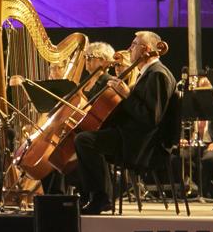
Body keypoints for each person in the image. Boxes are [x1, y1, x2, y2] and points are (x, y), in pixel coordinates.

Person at [74, 30, 176, 215]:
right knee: (83, 134)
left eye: (133, 45)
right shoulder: (149, 73)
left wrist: (126, 95)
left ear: (145, 49)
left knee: (84, 140)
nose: (130, 49)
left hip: (141, 143)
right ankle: (92, 195)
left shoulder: (158, 74)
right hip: (132, 135)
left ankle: (101, 197)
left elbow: (150, 118)